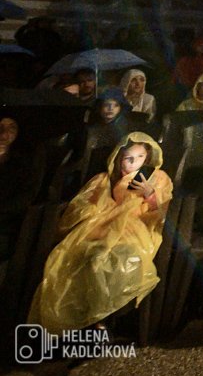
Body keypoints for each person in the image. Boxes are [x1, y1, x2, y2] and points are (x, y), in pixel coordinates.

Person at [28, 132, 173, 333]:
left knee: (119, 260)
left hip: (137, 229)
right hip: (102, 227)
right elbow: (81, 205)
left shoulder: (158, 178)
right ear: (119, 158)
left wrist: (150, 195)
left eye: (140, 157)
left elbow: (162, 212)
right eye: (128, 158)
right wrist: (100, 208)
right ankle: (88, 318)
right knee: (87, 257)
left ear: (147, 157)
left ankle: (104, 318)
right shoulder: (104, 179)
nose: (133, 163)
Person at [0, 117, 46, 263]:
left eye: (11, 128)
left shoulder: (24, 162)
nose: (4, 134)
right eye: (0, 127)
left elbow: (25, 198)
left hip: (7, 223)